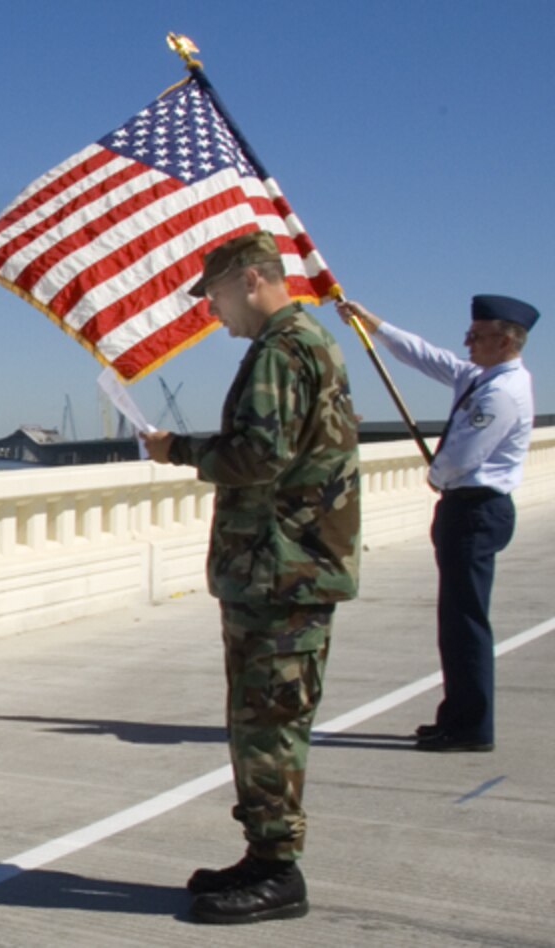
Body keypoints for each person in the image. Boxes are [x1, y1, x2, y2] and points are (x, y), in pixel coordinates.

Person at [140, 232, 361, 925]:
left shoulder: (279, 349)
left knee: (267, 721)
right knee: (267, 715)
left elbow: (260, 455)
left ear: (253, 279)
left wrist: (179, 450)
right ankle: (264, 852)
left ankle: (277, 870)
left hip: (279, 572)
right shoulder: (307, 341)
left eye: (214, 295)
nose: (212, 311)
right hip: (286, 569)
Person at [336, 294, 536, 752]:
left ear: (505, 339)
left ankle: (471, 726)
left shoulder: (503, 392)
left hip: (476, 508)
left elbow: (465, 457)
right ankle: (457, 715)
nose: (467, 340)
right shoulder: (481, 377)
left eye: (477, 335)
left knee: (465, 621)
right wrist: (372, 322)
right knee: (455, 619)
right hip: (466, 507)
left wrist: (434, 475)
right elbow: (427, 357)